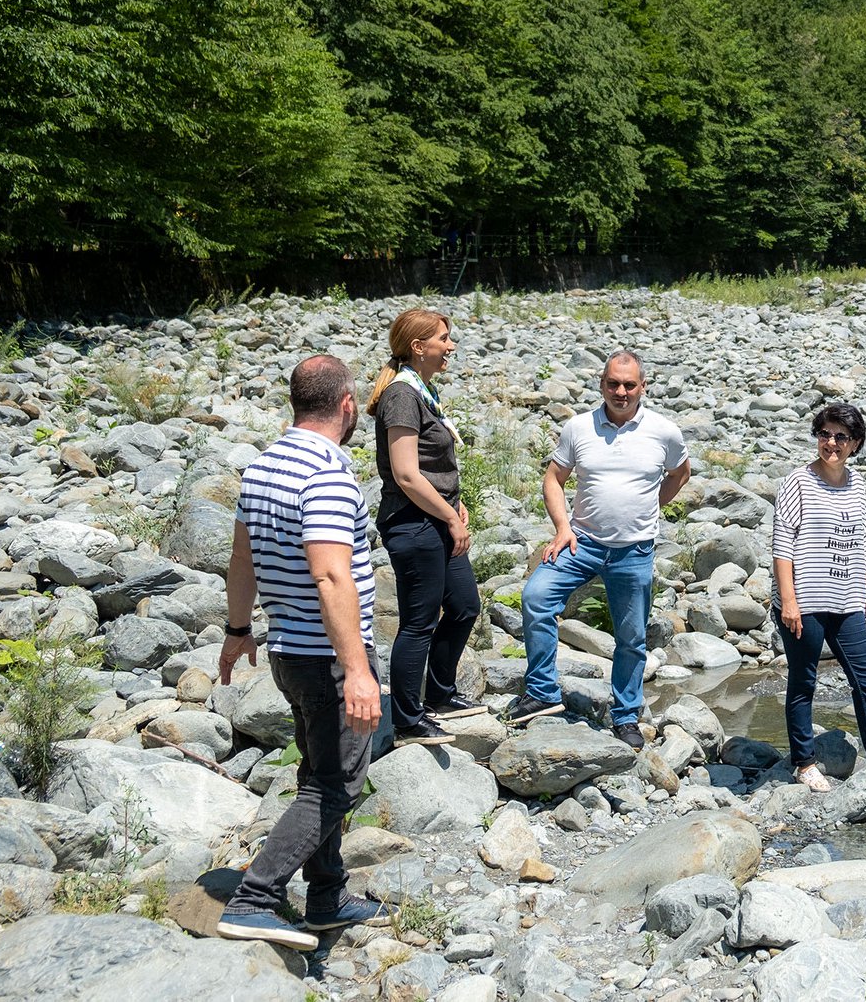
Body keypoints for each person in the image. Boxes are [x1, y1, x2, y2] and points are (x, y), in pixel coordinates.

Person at [216, 356, 389, 951]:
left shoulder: (262, 467)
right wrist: (360, 671)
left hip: (288, 649)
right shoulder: (327, 475)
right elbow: (332, 577)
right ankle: (256, 896)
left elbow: (242, 559)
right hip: (329, 657)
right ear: (346, 405)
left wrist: (239, 628)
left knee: (319, 772)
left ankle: (326, 895)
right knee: (335, 784)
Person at [506, 351, 689, 749]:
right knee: (536, 596)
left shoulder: (664, 431)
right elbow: (553, 478)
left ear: (643, 387)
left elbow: (680, 473)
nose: (620, 392)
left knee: (631, 637)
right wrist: (561, 527)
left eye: (629, 385)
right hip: (582, 542)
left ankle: (625, 716)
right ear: (601, 384)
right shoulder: (579, 427)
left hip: (634, 551)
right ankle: (541, 693)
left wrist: (651, 506)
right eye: (613, 384)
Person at [773, 404, 866, 791]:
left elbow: (862, 541)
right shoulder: (798, 482)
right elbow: (782, 545)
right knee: (804, 681)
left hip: (847, 599)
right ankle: (804, 763)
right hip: (804, 602)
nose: (831, 443)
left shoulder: (857, 485)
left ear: (855, 443)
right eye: (825, 433)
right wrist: (789, 602)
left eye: (841, 436)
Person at [366, 309, 483, 749]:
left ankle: (439, 694)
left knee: (465, 605)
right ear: (419, 347)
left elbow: (433, 468)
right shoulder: (401, 395)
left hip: (438, 517)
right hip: (413, 523)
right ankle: (409, 720)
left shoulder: (422, 389)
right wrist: (450, 517)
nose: (451, 346)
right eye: (444, 339)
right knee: (418, 623)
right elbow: (407, 475)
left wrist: (456, 503)